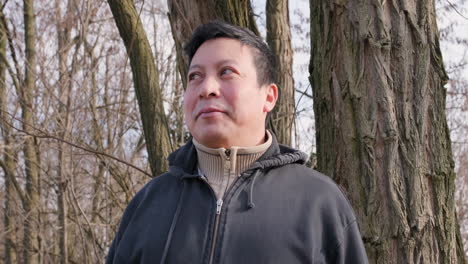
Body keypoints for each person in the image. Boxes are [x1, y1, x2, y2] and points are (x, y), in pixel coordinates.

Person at [106, 20, 368, 264]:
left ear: (269, 96)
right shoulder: (148, 204)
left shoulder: (318, 202)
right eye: (194, 76)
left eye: (226, 72)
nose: (207, 88)